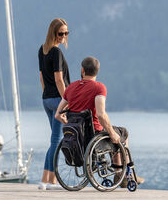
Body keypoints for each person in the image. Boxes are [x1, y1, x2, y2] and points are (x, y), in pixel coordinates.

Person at [55, 56, 144, 184]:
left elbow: (58, 114)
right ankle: (123, 175)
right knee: (122, 133)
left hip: (77, 135)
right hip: (94, 133)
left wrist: (69, 124)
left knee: (113, 134)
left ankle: (119, 174)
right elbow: (101, 115)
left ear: (82, 70)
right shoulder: (99, 88)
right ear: (97, 71)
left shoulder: (70, 88)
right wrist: (112, 133)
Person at [38, 18, 70, 190]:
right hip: (58, 99)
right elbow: (59, 79)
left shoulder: (42, 50)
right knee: (56, 140)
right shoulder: (56, 53)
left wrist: (46, 93)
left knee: (54, 141)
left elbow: (42, 77)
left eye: (66, 33)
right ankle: (50, 181)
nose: (63, 36)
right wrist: (66, 99)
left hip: (46, 99)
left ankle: (45, 180)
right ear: (53, 33)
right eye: (60, 33)